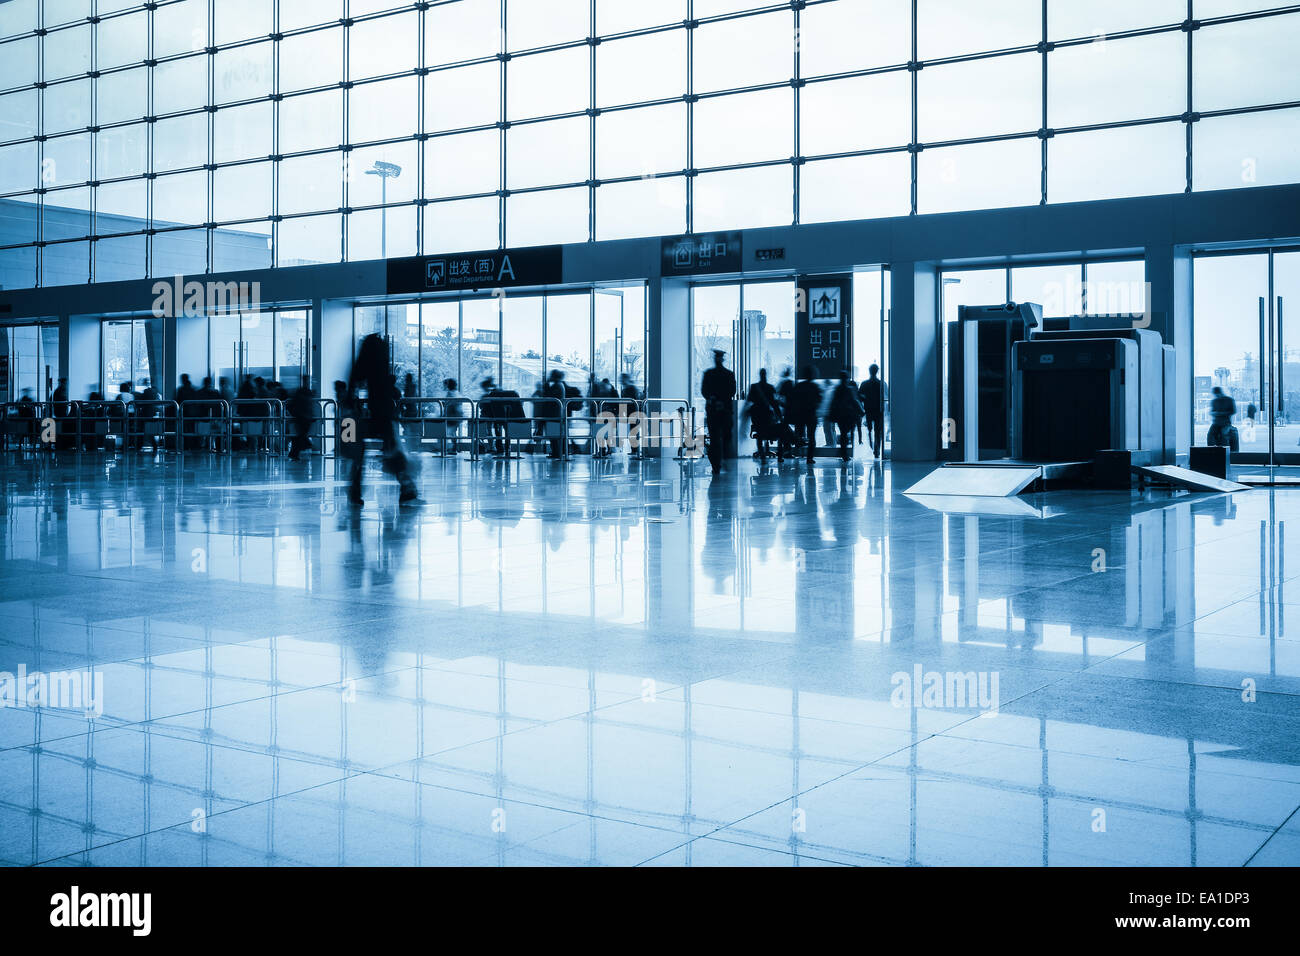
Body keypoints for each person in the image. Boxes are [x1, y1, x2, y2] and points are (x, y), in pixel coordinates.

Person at [348, 333, 418, 506]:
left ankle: (355, 488)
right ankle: (406, 485)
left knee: (359, 451)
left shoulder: (365, 362)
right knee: (391, 448)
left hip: (371, 411)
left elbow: (355, 379)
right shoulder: (383, 364)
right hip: (385, 412)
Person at [701, 349, 736, 476]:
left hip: (713, 410)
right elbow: (732, 392)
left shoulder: (708, 374)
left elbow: (704, 392)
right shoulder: (729, 374)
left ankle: (716, 464)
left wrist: (713, 400)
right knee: (726, 437)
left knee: (715, 438)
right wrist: (723, 401)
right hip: (725, 410)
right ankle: (724, 461)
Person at [788, 367, 823, 464]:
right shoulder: (815, 387)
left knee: (798, 435)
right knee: (811, 437)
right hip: (811, 415)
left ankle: (797, 453)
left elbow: (792, 400)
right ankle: (809, 458)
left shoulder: (799, 386)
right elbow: (819, 400)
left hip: (800, 415)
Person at [828, 370, 864, 462]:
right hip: (848, 415)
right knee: (846, 433)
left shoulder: (837, 389)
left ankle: (843, 453)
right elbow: (854, 401)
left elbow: (833, 402)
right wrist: (861, 411)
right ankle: (844, 453)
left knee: (843, 433)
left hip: (840, 415)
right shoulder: (848, 389)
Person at [858, 364, 885, 459]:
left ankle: (873, 447)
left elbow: (859, 397)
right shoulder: (881, 383)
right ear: (877, 371)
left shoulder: (864, 384)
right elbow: (885, 397)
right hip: (879, 411)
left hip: (869, 410)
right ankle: (877, 449)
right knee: (878, 431)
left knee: (869, 430)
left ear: (869, 371)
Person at [287, 384, 315, 461]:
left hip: (300, 418)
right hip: (304, 418)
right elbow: (309, 407)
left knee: (299, 436)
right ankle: (304, 446)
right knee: (301, 436)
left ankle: (294, 453)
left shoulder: (299, 393)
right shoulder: (306, 394)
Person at [1207, 386, 1238, 452]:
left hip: (1225, 422)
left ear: (1220, 392)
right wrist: (1214, 413)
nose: (1216, 396)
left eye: (1217, 394)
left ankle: (1225, 453)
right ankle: (1211, 452)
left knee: (1224, 435)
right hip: (1216, 422)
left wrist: (1221, 413)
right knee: (1210, 435)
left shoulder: (1229, 400)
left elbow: (1233, 411)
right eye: (1215, 394)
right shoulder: (1215, 401)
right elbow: (1211, 411)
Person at [441, 378, 463, 453]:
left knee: (450, 432)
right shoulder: (457, 392)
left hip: (452, 415)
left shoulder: (450, 393)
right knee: (452, 432)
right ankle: (453, 447)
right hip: (458, 415)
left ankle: (451, 448)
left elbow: (447, 403)